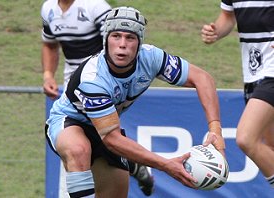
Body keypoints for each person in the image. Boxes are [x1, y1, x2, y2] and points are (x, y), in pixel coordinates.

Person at [45, 6, 226, 197]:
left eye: (130, 38)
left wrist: (215, 129)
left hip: (107, 129)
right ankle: (133, 162)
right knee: (78, 149)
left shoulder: (151, 58)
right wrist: (165, 165)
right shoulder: (93, 79)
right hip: (70, 121)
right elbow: (112, 139)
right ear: (106, 40)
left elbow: (203, 79)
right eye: (116, 36)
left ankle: (134, 163)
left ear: (139, 43)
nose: (122, 44)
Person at [40, 0, 154, 196]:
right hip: (72, 88)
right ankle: (133, 164)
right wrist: (48, 74)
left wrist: (101, 84)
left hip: (101, 86)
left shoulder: (95, 7)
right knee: (75, 152)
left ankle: (132, 163)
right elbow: (50, 44)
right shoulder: (48, 8)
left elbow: (117, 44)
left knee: (102, 141)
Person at [201, 0, 274, 188]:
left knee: (246, 138)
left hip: (272, 71)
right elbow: (228, 16)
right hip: (253, 71)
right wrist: (216, 30)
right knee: (270, 147)